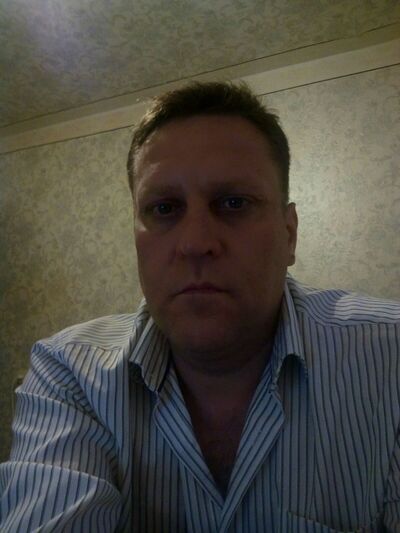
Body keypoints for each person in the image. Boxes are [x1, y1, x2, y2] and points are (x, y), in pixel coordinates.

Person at [0, 81, 399, 533]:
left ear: (289, 234)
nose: (194, 243)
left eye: (233, 203)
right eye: (164, 208)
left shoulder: (391, 359)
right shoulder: (68, 375)